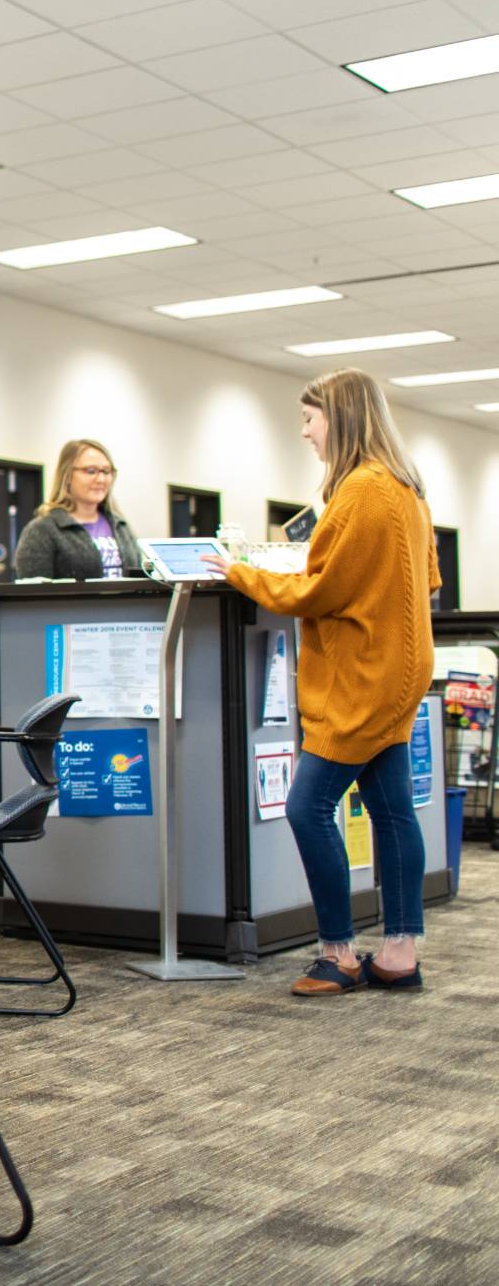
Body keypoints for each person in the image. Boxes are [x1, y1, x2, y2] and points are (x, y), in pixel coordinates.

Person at [209, 370, 439, 996]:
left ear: (340, 417)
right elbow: (428, 580)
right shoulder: (406, 488)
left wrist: (243, 573)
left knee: (307, 806)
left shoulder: (362, 489)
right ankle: (398, 952)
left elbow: (319, 589)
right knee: (392, 812)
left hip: (361, 677)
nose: (306, 431)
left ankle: (337, 952)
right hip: (398, 670)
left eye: (310, 418)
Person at [12, 438, 142, 580]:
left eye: (106, 471)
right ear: (67, 475)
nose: (101, 479)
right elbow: (32, 595)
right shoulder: (42, 530)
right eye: (91, 471)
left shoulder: (121, 526)